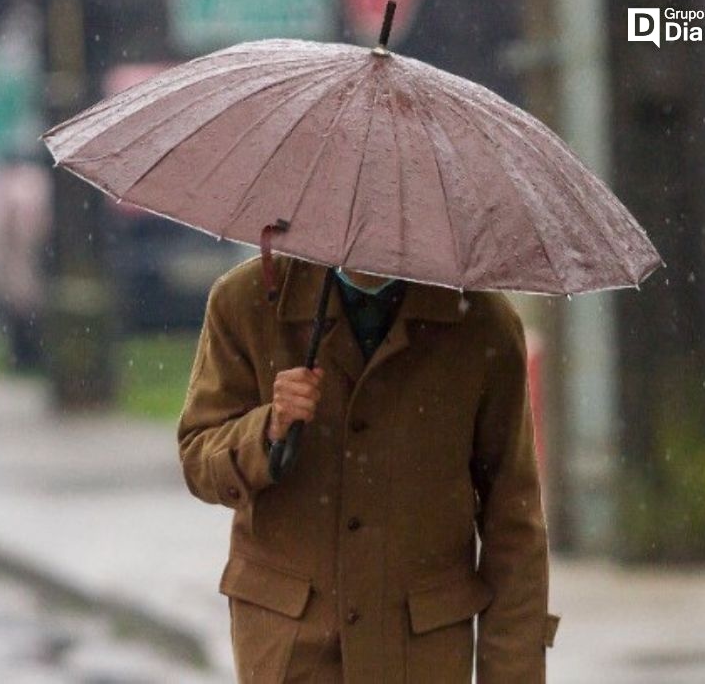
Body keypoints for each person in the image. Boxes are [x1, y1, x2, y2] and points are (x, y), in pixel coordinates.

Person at [177, 254, 558, 682]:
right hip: (291, 649)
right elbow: (198, 457)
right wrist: (268, 428)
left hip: (420, 653)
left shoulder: (482, 322)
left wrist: (513, 672)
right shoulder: (247, 301)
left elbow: (513, 522)